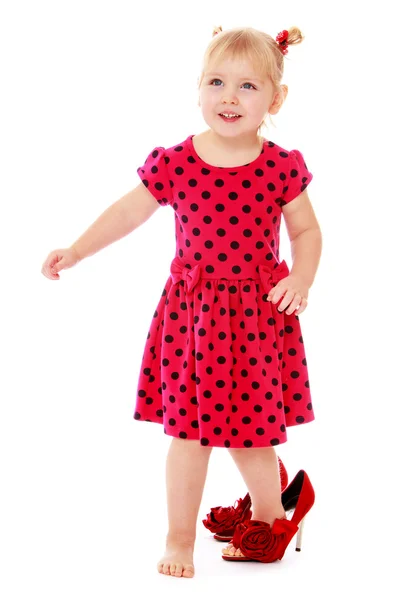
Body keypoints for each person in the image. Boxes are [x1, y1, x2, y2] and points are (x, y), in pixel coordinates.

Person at [41, 24, 322, 578]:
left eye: (247, 86)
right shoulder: (177, 162)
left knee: (250, 435)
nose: (229, 98)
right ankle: (178, 539)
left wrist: (302, 279)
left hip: (255, 317)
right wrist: (77, 249)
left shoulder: (280, 166)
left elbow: (306, 232)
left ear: (276, 98)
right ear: (198, 90)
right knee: (188, 436)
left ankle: (273, 515)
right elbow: (129, 211)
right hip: (192, 320)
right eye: (217, 82)